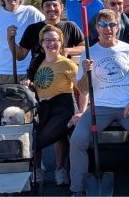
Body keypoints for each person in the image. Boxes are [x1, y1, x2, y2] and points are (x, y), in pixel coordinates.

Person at [69, 10, 129, 196]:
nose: (107, 29)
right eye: (103, 25)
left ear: (118, 27)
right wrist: (85, 72)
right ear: (96, 28)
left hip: (128, 105)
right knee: (77, 140)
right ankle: (77, 189)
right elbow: (84, 90)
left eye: (111, 25)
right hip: (99, 107)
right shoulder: (89, 52)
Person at [7, 0, 86, 185]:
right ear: (42, 9)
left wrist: (67, 51)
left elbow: (85, 47)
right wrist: (11, 40)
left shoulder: (70, 27)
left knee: (58, 133)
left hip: (62, 84)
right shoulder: (34, 29)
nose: (52, 9)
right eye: (47, 6)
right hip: (37, 83)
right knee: (36, 127)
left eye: (55, 5)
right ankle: (36, 170)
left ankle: (60, 170)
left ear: (61, 7)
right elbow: (19, 55)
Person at [32, 25, 87, 185]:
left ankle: (60, 170)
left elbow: (83, 90)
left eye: (55, 40)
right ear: (42, 44)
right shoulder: (40, 65)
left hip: (63, 107)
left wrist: (81, 112)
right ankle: (37, 172)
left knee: (45, 139)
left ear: (60, 43)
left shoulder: (66, 64)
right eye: (47, 40)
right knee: (32, 135)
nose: (51, 43)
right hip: (44, 108)